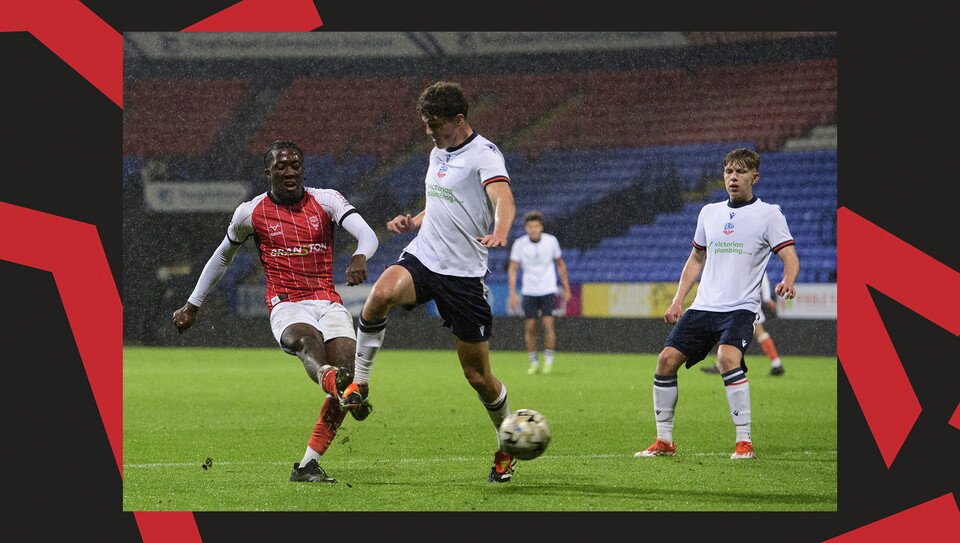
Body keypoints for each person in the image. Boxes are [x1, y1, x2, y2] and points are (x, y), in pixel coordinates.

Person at [338, 81, 520, 483]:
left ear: (459, 119)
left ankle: (506, 446)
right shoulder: (439, 151)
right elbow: (441, 202)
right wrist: (414, 221)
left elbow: (503, 199)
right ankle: (360, 383)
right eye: (425, 124)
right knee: (379, 295)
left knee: (479, 378)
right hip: (426, 256)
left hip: (463, 276)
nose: (428, 132)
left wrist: (502, 230)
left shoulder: (484, 154)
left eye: (435, 124)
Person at [171, 140, 379, 483]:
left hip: (328, 301)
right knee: (305, 344)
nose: (289, 171)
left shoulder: (326, 200)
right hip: (287, 303)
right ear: (268, 172)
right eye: (281, 166)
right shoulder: (250, 212)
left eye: (295, 165)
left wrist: (360, 256)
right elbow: (222, 256)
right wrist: (193, 304)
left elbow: (367, 234)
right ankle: (336, 384)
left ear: (303, 169)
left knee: (350, 382)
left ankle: (308, 465)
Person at [635, 148, 799, 460]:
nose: (733, 177)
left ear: (755, 177)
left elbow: (789, 256)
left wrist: (788, 280)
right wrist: (677, 300)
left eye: (740, 172)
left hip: (740, 307)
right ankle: (664, 441)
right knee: (666, 360)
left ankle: (744, 442)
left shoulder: (769, 214)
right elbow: (696, 257)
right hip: (704, 306)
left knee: (726, 358)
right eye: (728, 172)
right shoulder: (709, 213)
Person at [507, 211, 571, 374]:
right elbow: (513, 269)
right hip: (529, 291)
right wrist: (513, 293)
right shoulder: (520, 244)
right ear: (526, 228)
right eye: (530, 226)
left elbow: (561, 265)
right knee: (530, 327)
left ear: (541, 227)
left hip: (548, 289)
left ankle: (548, 361)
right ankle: (533, 361)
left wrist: (567, 288)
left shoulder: (551, 242)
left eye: (536, 226)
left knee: (548, 324)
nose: (534, 229)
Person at [700, 270, 785, 376]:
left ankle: (776, 364)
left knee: (740, 332)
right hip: (743, 302)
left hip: (744, 303)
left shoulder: (745, 260)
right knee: (740, 333)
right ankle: (776, 364)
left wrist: (767, 298)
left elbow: (762, 275)